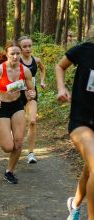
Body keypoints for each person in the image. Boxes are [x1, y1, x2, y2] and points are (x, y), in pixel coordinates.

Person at [0, 41, 36, 184]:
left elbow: (31, 90)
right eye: (12, 53)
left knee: (18, 143)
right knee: (8, 147)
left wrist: (31, 94)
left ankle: (9, 171)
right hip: (2, 107)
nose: (15, 56)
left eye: (18, 53)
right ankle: (0, 136)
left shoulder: (25, 71)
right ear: (7, 55)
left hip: (17, 105)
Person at [56, 25, 94, 220]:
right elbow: (60, 66)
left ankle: (75, 205)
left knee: (90, 169)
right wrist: (61, 88)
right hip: (81, 121)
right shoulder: (85, 50)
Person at [18, 36, 46, 164]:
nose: (28, 49)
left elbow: (43, 69)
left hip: (32, 93)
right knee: (18, 124)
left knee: (33, 121)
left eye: (29, 46)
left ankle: (30, 153)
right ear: (20, 48)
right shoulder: (16, 60)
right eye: (25, 46)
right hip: (17, 95)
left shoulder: (36, 60)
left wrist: (42, 81)